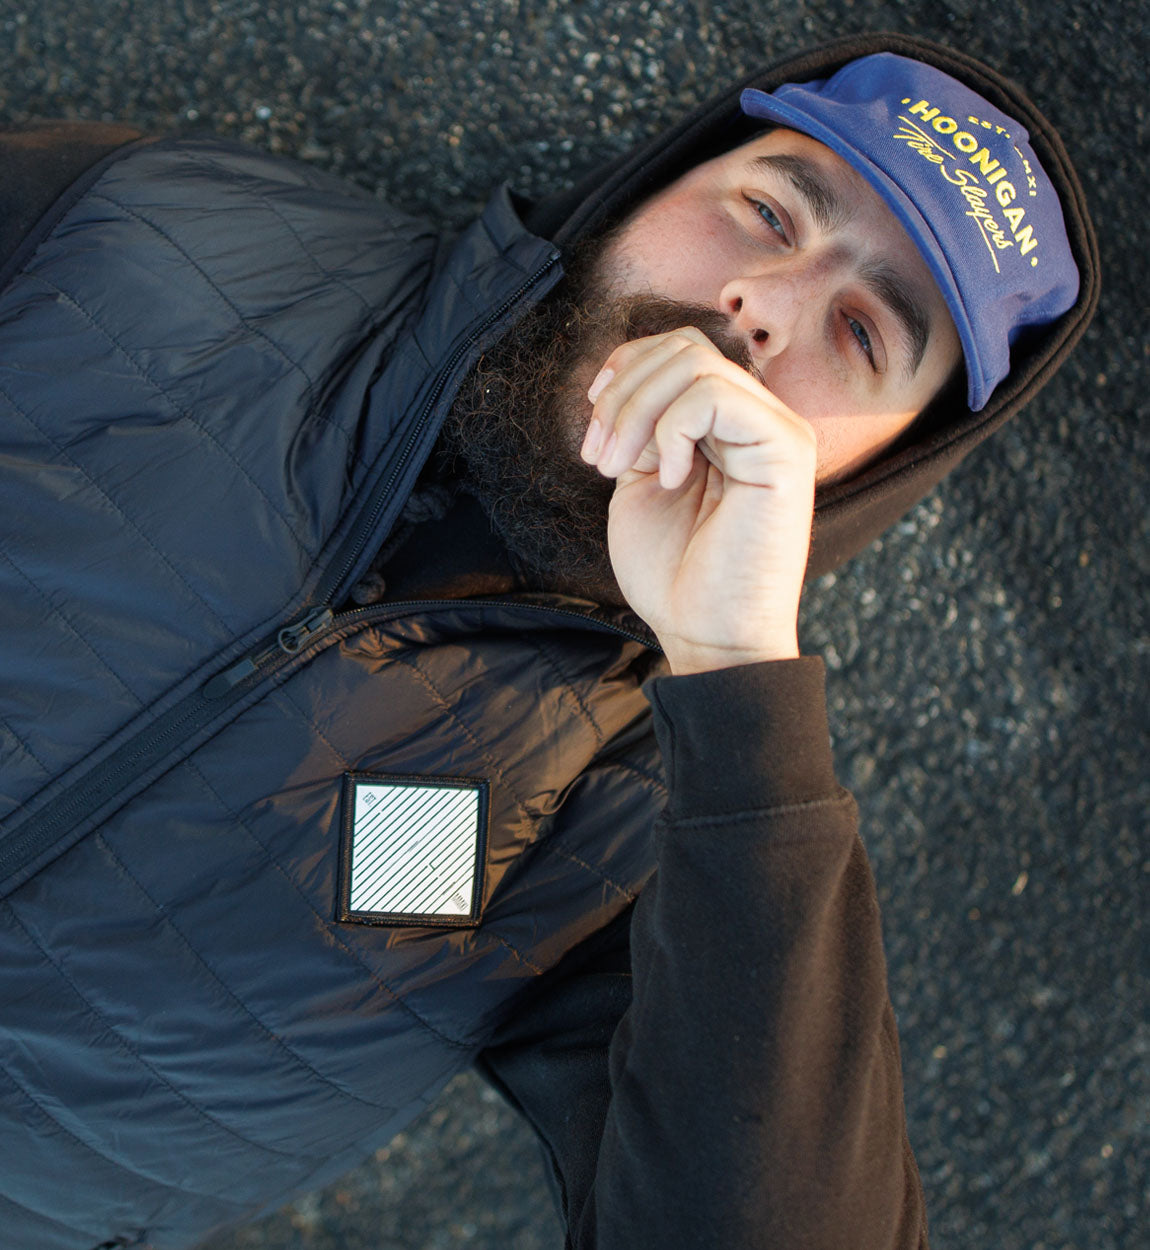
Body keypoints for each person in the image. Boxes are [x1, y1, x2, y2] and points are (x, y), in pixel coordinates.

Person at [0, 32, 1097, 1250]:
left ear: (870, 475)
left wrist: (735, 673)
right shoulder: (177, 233)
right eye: (770, 213)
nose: (759, 311)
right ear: (652, 184)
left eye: (860, 338)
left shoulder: (631, 836)